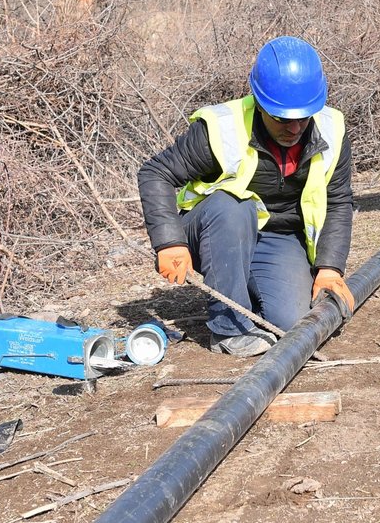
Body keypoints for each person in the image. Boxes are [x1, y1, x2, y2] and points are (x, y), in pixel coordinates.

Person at [136, 36, 355, 358]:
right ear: (260, 100)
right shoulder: (222, 129)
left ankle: (245, 287)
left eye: (302, 117)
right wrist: (169, 242)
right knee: (232, 205)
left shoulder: (332, 130)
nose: (294, 129)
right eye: (281, 118)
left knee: (293, 323)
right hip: (216, 228)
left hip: (278, 237)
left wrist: (329, 268)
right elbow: (156, 173)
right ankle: (228, 329)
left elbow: (338, 201)